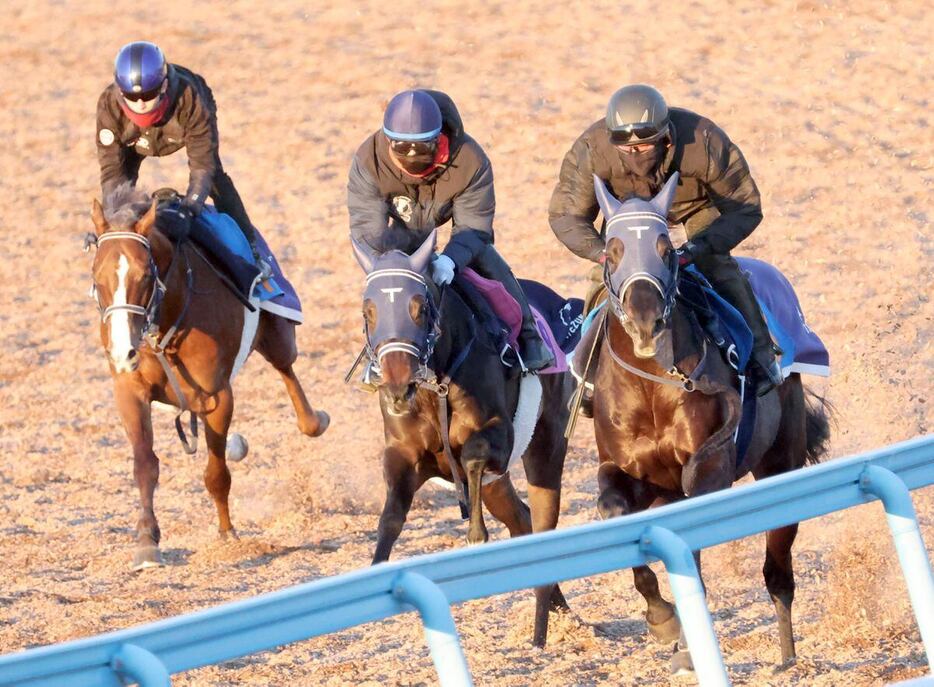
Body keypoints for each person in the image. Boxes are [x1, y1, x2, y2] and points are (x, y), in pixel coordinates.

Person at [549, 83, 783, 397]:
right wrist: (601, 253)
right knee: (602, 279)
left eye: (644, 146)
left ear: (666, 137)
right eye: (624, 147)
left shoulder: (704, 140)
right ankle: (588, 374)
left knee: (717, 267)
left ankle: (761, 355)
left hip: (692, 209)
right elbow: (566, 215)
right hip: (628, 216)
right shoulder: (592, 149)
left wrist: (700, 246)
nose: (633, 153)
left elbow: (745, 206)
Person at [348, 89, 554, 372]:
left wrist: (450, 260)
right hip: (399, 233)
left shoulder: (469, 160)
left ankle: (529, 338)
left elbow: (474, 226)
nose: (411, 158)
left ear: (438, 139)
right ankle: (377, 357)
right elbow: (367, 228)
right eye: (401, 149)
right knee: (387, 285)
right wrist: (385, 266)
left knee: (485, 258)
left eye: (422, 149)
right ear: (387, 141)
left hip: (457, 226)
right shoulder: (369, 159)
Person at [95, 41, 263, 262]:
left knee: (215, 178)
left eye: (149, 94)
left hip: (180, 129)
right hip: (134, 138)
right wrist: (112, 219)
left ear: (163, 86)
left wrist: (189, 209)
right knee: (121, 190)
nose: (141, 104)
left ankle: (250, 247)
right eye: (131, 96)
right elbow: (112, 172)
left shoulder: (190, 99)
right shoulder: (109, 106)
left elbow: (203, 167)